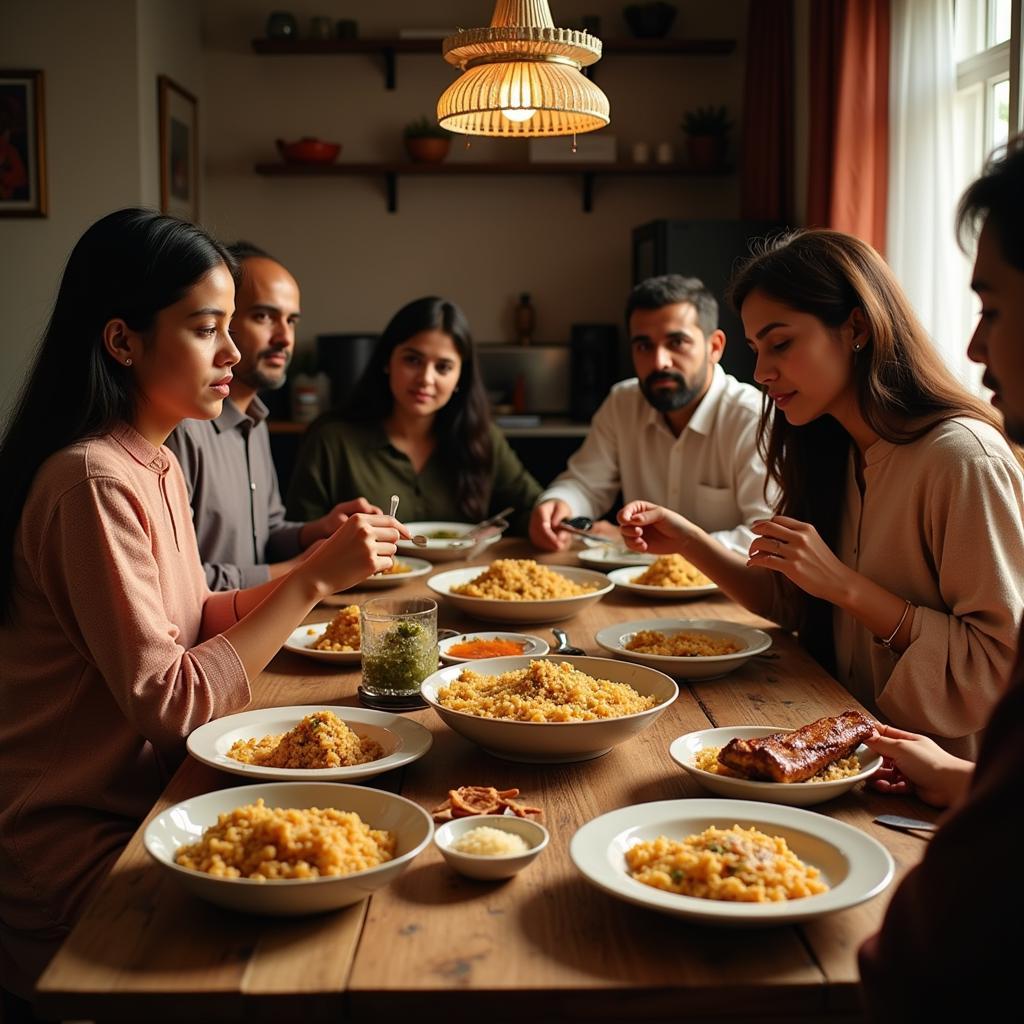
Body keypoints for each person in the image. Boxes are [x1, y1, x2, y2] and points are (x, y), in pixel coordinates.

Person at [0, 210, 406, 1004]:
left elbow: (199, 617)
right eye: (206, 328)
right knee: (333, 952)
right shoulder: (92, 482)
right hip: (76, 842)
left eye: (232, 326)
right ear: (123, 341)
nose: (234, 353)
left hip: (154, 800)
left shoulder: (149, 460)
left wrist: (316, 565)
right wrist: (310, 583)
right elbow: (170, 703)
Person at [618, 230, 1024, 759]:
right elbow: (792, 605)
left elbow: (999, 667)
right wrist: (691, 541)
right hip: (836, 746)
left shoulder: (962, 459)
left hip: (936, 785)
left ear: (856, 326)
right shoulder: (830, 444)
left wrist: (846, 588)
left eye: (781, 343)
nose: (762, 372)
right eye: (757, 349)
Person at [858, 136, 1024, 1019]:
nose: (973, 342)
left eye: (993, 308)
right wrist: (966, 784)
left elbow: (935, 953)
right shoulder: (836, 452)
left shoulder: (961, 458)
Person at [166, 242, 380, 590]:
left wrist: (320, 530)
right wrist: (302, 569)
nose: (284, 338)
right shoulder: (178, 430)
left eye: (291, 320)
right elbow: (178, 584)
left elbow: (266, 533)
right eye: (264, 316)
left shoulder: (256, 419)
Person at [530, 275, 775, 554]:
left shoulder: (751, 417)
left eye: (677, 342)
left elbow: (767, 535)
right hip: (633, 587)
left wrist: (669, 546)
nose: (659, 362)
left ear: (714, 347)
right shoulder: (623, 402)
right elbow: (585, 484)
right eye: (644, 346)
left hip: (725, 595)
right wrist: (559, 504)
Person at [286, 296, 542, 531]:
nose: (425, 379)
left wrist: (546, 519)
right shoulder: (331, 440)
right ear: (388, 361)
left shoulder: (481, 437)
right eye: (413, 360)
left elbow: (530, 508)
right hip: (361, 581)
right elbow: (298, 537)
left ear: (459, 377)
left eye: (443, 367)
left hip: (460, 580)